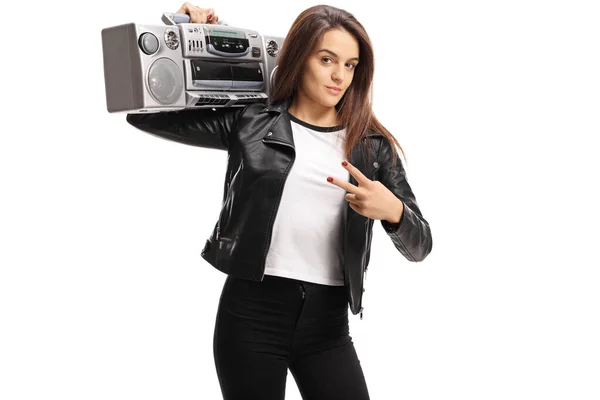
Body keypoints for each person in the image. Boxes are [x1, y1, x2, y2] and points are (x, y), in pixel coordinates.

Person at [126, 3, 433, 399]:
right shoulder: (251, 121)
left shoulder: (372, 146)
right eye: (327, 59)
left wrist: (391, 211)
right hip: (251, 315)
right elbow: (142, 112)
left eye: (351, 65)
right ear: (299, 57)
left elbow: (421, 244)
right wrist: (188, 34)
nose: (340, 75)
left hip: (328, 325)